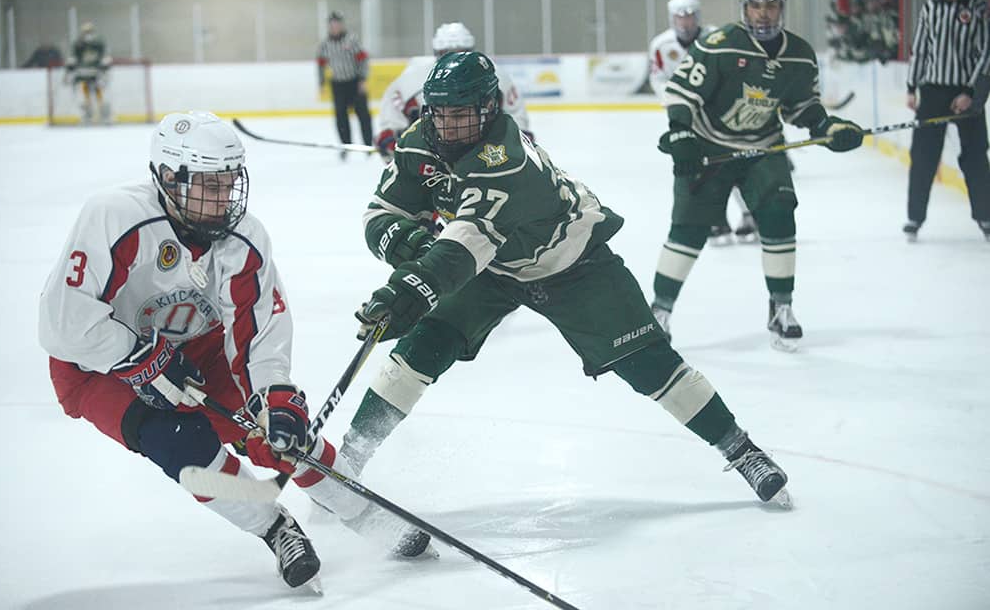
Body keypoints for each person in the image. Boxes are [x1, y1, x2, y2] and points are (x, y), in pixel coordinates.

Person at [337, 50, 792, 513]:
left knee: (648, 363)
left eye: (460, 115)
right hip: (491, 268)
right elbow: (381, 213)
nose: (447, 127)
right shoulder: (419, 142)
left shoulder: (505, 159)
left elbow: (465, 244)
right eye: (440, 113)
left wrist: (410, 289)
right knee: (421, 347)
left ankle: (741, 450)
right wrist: (405, 242)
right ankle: (348, 461)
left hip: (571, 264)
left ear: (489, 108)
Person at [38, 111, 430, 592]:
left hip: (195, 352)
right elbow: (62, 324)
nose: (224, 198)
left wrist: (274, 393)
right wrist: (139, 356)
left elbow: (259, 328)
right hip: (96, 366)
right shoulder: (114, 216)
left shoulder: (244, 237)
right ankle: (275, 527)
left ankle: (365, 513)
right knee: (180, 445)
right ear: (168, 177)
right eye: (209, 184)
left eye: (229, 183)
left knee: (283, 435)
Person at [650, 0, 864, 352]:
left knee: (780, 214)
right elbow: (681, 92)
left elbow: (803, 108)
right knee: (688, 229)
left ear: (782, 8)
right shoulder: (718, 45)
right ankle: (660, 311)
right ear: (744, 8)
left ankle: (782, 308)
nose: (763, 13)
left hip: (762, 149)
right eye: (755, 5)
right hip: (710, 148)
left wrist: (829, 127)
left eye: (771, 5)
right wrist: (681, 134)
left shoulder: (799, 54)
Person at [650, 0, 756, 245]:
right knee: (703, 169)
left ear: (697, 16)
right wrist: (676, 104)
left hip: (719, 115)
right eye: (680, 17)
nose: (685, 22)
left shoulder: (715, 38)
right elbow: (658, 79)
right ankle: (716, 219)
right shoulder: (661, 45)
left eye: (689, 16)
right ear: (672, 18)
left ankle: (749, 214)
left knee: (732, 164)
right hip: (688, 119)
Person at [904, 0, 990, 242]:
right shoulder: (930, 8)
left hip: (965, 92)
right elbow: (920, 50)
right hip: (933, 92)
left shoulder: (976, 7)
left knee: (975, 156)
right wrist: (911, 86)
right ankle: (914, 217)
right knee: (923, 156)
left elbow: (985, 52)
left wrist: (970, 92)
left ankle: (986, 216)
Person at [375, 22, 532, 164]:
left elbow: (516, 116)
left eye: (461, 52)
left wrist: (520, 137)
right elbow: (391, 117)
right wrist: (388, 136)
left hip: (484, 155)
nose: (453, 59)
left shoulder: (495, 77)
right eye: (447, 53)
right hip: (429, 158)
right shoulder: (410, 80)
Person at [316, 11, 373, 160]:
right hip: (338, 84)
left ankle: (368, 145)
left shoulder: (351, 40)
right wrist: (321, 82)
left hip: (354, 82)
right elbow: (320, 63)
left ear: (341, 25)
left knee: (363, 115)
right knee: (341, 117)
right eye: (332, 25)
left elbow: (363, 59)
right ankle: (346, 146)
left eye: (337, 24)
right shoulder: (325, 44)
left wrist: (362, 79)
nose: (335, 27)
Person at [64, 21, 112, 124]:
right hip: (83, 72)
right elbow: (73, 58)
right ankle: (87, 113)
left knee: (100, 91)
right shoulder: (78, 44)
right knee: (83, 92)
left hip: (97, 72)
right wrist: (70, 68)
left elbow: (105, 57)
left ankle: (104, 113)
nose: (88, 34)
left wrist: (104, 65)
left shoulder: (98, 43)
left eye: (89, 31)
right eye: (86, 32)